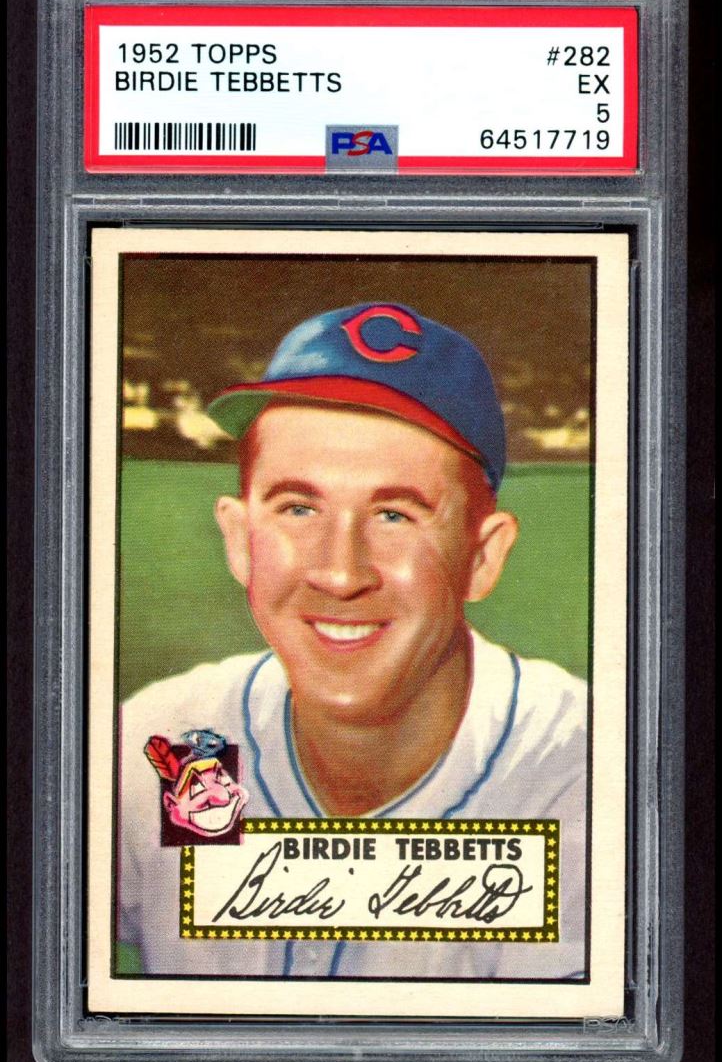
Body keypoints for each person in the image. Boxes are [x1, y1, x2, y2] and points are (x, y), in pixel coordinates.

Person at [119, 303, 587, 981]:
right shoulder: (170, 743)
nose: (341, 574)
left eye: (395, 515)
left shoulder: (586, 775)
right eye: (298, 508)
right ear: (240, 539)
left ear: (482, 557)